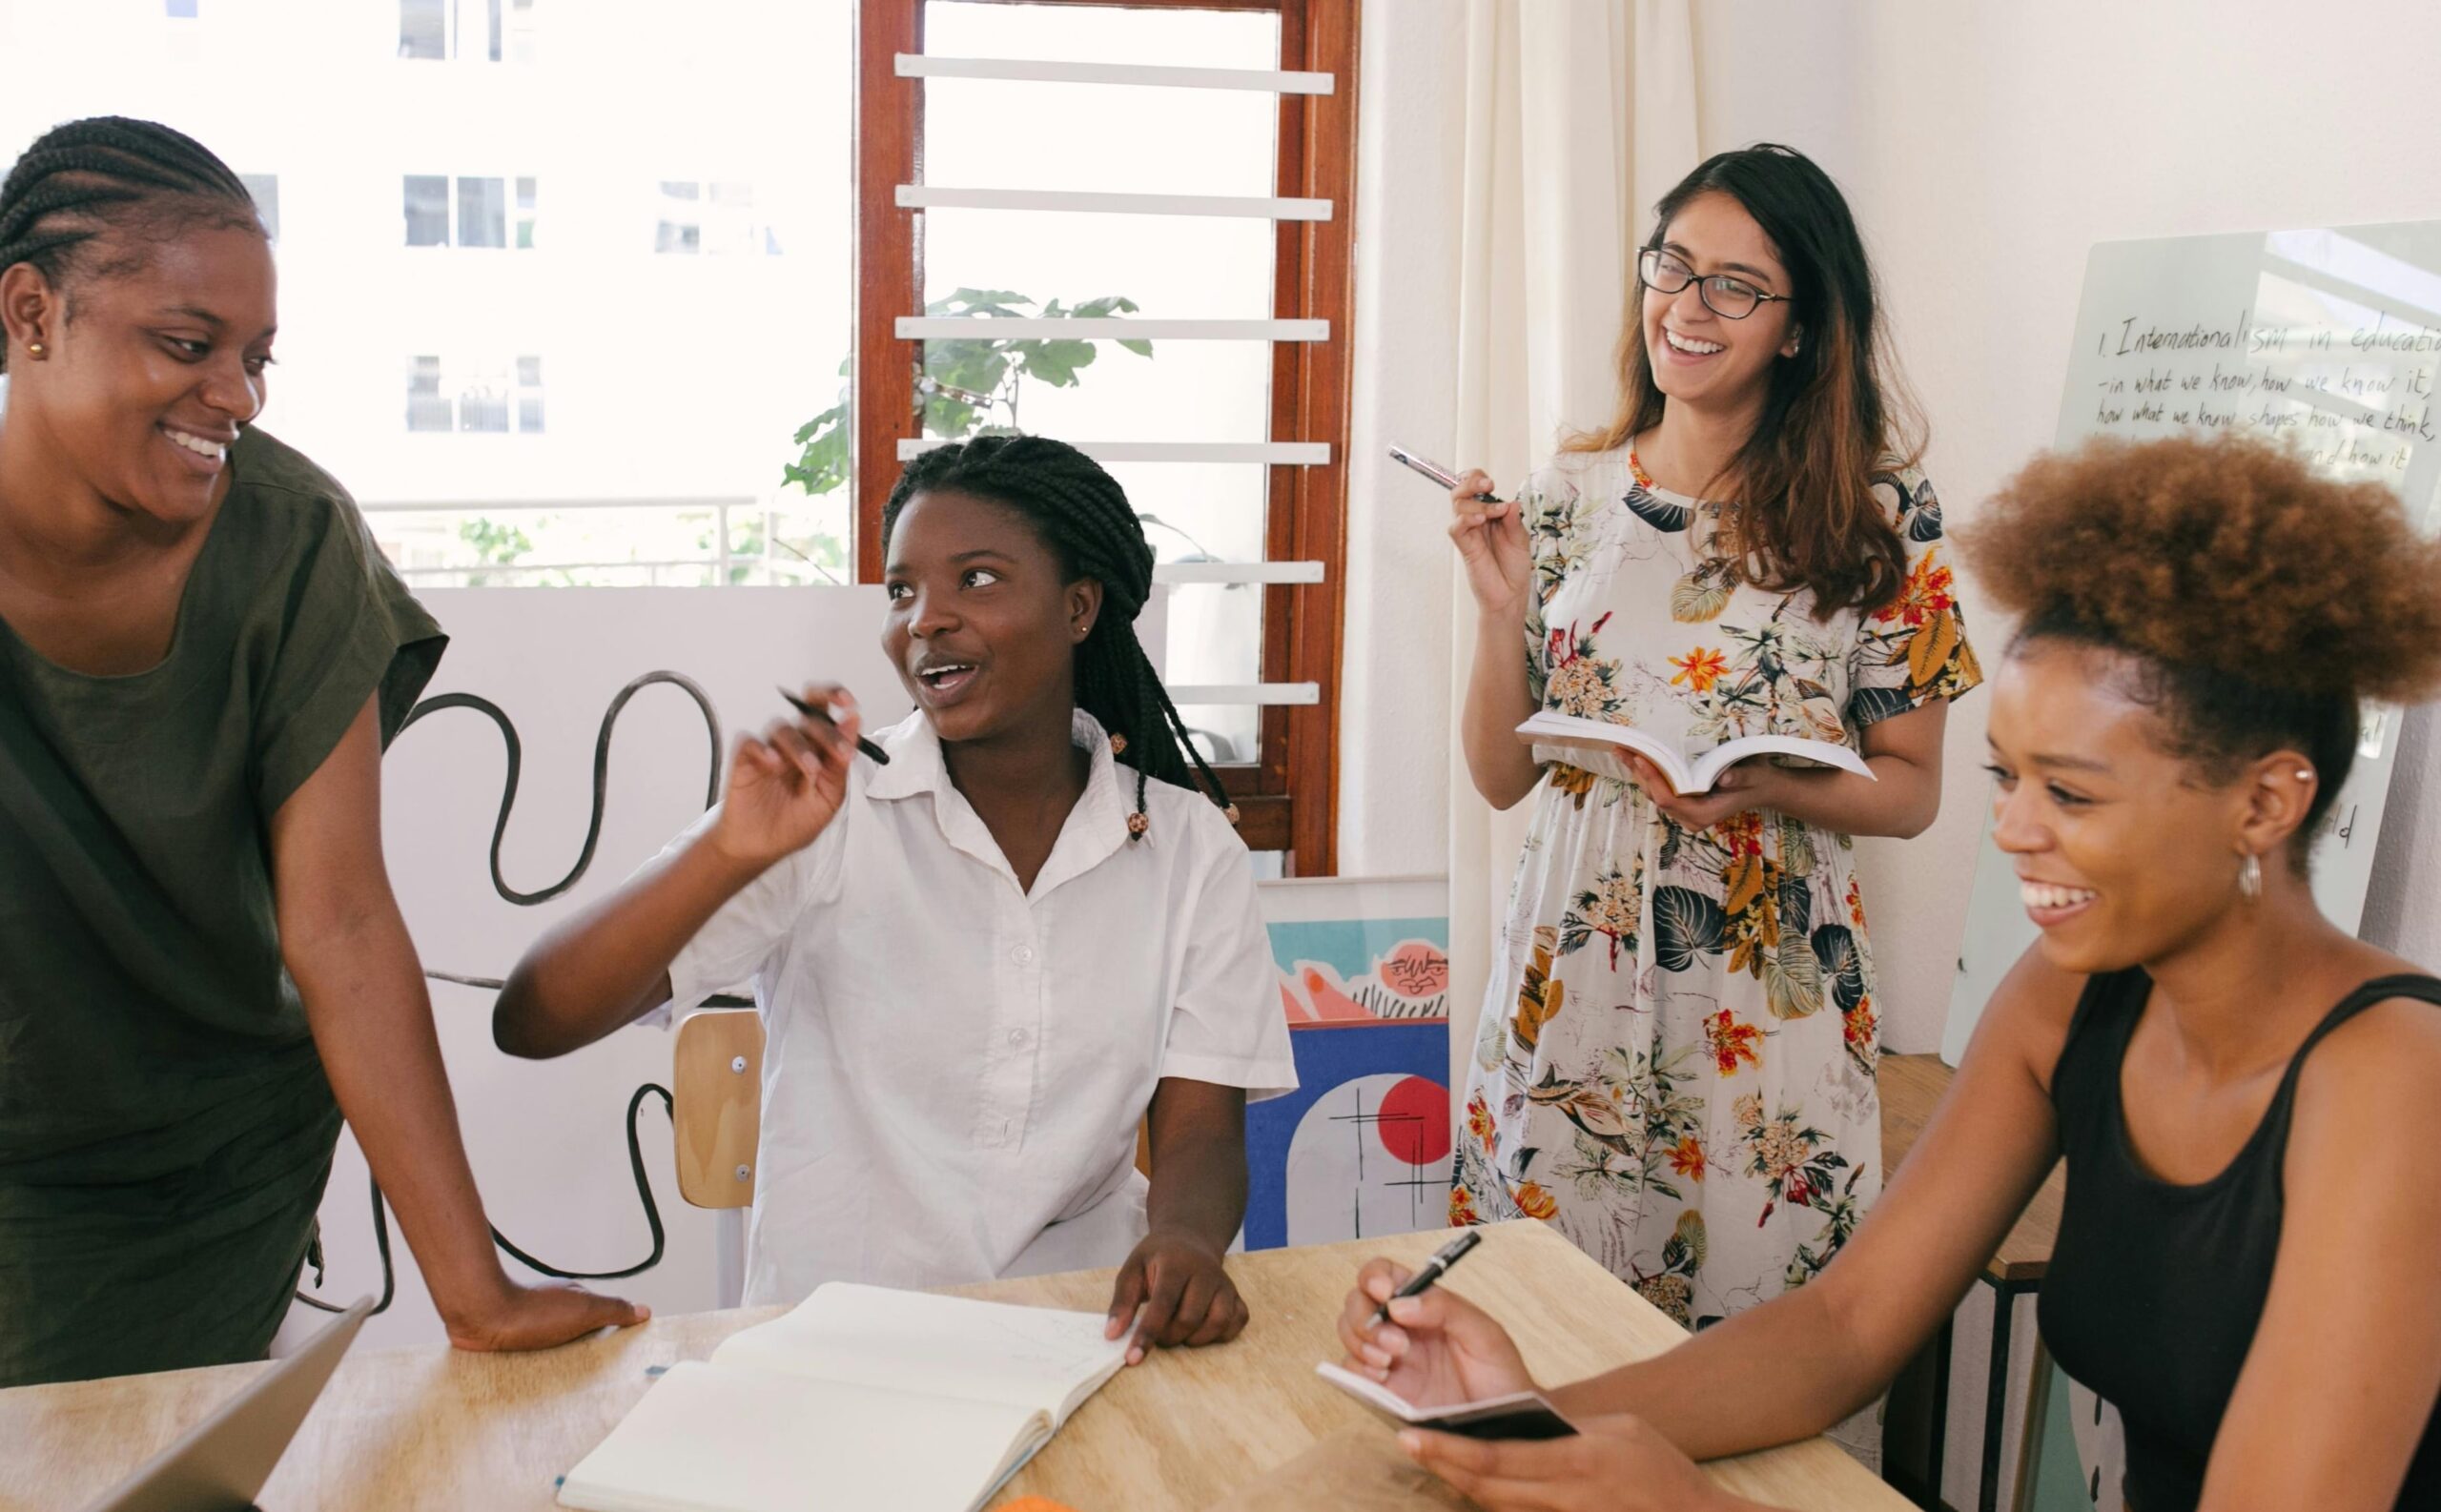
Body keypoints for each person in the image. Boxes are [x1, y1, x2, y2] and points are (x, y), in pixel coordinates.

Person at [1338, 432, 2441, 1512]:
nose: (2010, 829)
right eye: (2008, 777)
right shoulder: (2067, 1000)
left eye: (2070, 793)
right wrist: (1528, 1410)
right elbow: (1844, 1326)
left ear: (2264, 802)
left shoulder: (2395, 1080)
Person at [0, 117, 644, 1388]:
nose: (235, 396)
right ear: (30, 313)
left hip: (210, 1162)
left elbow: (340, 923)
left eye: (255, 358)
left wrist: (479, 1295)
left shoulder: (294, 543)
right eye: (187, 347)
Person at [495, 434, 1296, 1360]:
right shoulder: (828, 813)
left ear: (1079, 607)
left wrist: (1185, 1241)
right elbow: (536, 1015)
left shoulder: (1187, 847)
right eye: (901, 589)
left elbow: (1199, 1124)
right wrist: (725, 849)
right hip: (833, 1350)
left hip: (1083, 1336)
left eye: (979, 579)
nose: (925, 619)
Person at [1446, 143, 1979, 1330]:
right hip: (1566, 977)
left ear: (1798, 328)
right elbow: (1496, 778)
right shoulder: (1564, 494)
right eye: (1673, 267)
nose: (1688, 307)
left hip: (1766, 999)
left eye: (1736, 284)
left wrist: (1766, 787)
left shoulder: (1883, 515)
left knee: (1757, 1342)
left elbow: (1911, 792)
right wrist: (1496, 613)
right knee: (1538, 1341)